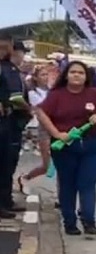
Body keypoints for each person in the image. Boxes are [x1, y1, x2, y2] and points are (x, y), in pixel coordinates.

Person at [36, 61, 96, 237]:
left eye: (80, 72)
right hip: (65, 147)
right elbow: (41, 113)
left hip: (94, 145)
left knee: (86, 183)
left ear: (86, 76)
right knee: (67, 185)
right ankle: (69, 222)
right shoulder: (56, 95)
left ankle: (89, 220)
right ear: (66, 75)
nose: (76, 75)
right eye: (73, 72)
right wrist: (56, 133)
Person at [0, 37, 31, 219]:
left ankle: (6, 200)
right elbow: (13, 97)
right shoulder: (7, 70)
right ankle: (2, 203)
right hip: (6, 123)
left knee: (8, 165)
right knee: (4, 164)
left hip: (12, 124)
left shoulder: (12, 70)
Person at [18, 66, 53, 195]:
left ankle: (62, 196)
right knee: (47, 165)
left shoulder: (51, 91)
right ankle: (25, 177)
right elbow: (41, 109)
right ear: (36, 78)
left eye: (46, 75)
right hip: (44, 129)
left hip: (58, 127)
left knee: (62, 164)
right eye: (42, 75)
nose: (45, 77)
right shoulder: (33, 93)